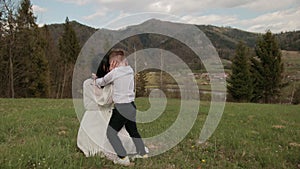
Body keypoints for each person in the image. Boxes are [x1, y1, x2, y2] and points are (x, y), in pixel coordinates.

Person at [77, 52, 142, 161]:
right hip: (94, 120)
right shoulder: (88, 83)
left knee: (123, 140)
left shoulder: (113, 81)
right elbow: (103, 101)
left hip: (109, 116)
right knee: (101, 145)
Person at [93, 49, 148, 166]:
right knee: (133, 131)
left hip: (121, 108)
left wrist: (96, 80)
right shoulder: (130, 70)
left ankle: (122, 157)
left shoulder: (114, 73)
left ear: (113, 63)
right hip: (132, 106)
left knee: (111, 133)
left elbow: (102, 82)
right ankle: (142, 153)